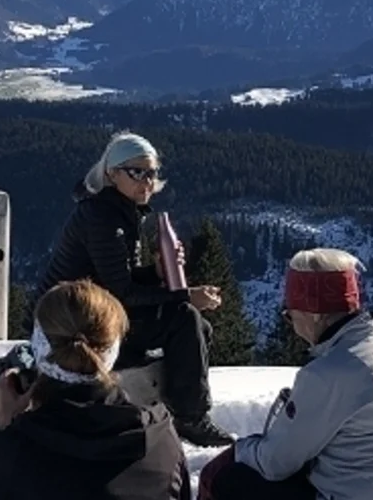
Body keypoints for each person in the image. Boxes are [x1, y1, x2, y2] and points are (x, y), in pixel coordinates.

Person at [35, 131, 233, 447]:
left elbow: (115, 281)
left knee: (196, 325)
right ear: (112, 174)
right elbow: (122, 292)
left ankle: (180, 407)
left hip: (80, 315)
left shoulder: (113, 210)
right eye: (137, 172)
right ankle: (190, 417)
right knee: (185, 318)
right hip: (71, 327)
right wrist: (185, 295)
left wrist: (156, 272)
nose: (147, 181)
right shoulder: (104, 218)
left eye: (151, 173)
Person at [199, 249, 373, 500]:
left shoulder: (327, 373)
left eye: (289, 314)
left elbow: (276, 462)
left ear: (314, 315)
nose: (291, 324)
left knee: (229, 480)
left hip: (356, 494)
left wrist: (239, 451)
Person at [0, 280, 193, 500]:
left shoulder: (14, 452)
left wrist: (1, 431)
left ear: (39, 347)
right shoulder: (160, 441)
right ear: (111, 351)